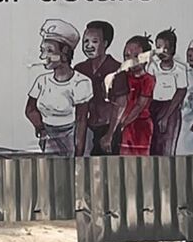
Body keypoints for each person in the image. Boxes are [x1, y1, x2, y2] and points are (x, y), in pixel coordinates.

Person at [25, 19, 92, 157]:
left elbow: (81, 120)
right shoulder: (42, 81)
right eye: (42, 51)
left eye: (49, 51)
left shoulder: (81, 82)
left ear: (65, 52)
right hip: (49, 138)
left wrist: (78, 155)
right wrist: (41, 129)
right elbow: (30, 110)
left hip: (71, 139)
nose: (43, 56)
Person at [75, 20, 122, 156]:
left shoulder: (116, 68)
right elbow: (81, 113)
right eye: (86, 41)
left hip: (109, 129)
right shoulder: (80, 69)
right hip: (88, 128)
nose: (89, 46)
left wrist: (110, 135)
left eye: (94, 42)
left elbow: (120, 104)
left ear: (105, 44)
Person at [110, 35, 156, 156]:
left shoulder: (148, 80)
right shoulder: (123, 77)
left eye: (137, 56)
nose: (132, 60)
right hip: (124, 126)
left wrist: (122, 124)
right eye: (127, 56)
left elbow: (139, 106)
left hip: (140, 125)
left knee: (140, 159)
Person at [149, 29, 189, 155]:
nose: (162, 52)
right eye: (158, 48)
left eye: (165, 48)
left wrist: (166, 116)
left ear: (173, 48)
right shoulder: (152, 67)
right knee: (153, 145)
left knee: (167, 146)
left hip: (171, 108)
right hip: (153, 106)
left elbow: (181, 92)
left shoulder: (180, 69)